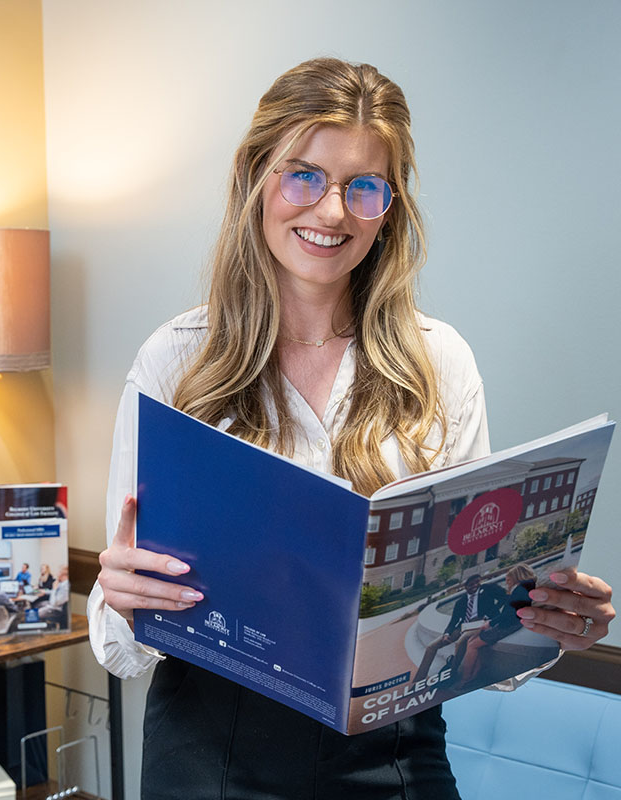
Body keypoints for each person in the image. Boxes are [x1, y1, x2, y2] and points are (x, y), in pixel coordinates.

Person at [89, 58, 616, 799]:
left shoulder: (439, 361)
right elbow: (120, 638)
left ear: (389, 208)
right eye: (303, 175)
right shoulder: (177, 358)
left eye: (363, 187)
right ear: (255, 178)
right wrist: (117, 593)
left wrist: (546, 625)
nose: (332, 212)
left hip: (393, 756)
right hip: (210, 754)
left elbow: (479, 603)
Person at [454, 563, 539, 688]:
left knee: (472, 645)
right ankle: (474, 674)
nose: (507, 582)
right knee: (473, 640)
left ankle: (465, 679)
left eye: (508, 579)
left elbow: (509, 614)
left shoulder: (520, 590)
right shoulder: (525, 588)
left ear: (516, 577)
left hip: (508, 626)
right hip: (510, 622)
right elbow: (510, 610)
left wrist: (490, 623)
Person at [413, 573, 506, 683]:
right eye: (471, 584)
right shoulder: (460, 602)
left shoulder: (487, 592)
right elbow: (453, 621)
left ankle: (452, 673)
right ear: (465, 587)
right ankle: (418, 680)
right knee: (431, 647)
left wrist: (490, 615)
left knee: (460, 642)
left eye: (477, 582)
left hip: (480, 623)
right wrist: (447, 634)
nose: (474, 585)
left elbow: (504, 597)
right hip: (463, 626)